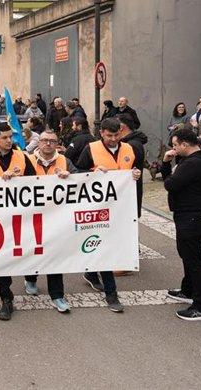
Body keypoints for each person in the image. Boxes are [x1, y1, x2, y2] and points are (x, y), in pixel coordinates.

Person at [74, 117, 143, 312]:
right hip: (97, 207)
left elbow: (135, 170)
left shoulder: (130, 149)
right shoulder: (91, 149)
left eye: (116, 135)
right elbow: (78, 171)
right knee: (104, 248)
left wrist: (136, 174)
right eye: (109, 135)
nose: (113, 139)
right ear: (102, 133)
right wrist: (93, 170)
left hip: (121, 208)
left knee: (110, 246)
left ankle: (92, 274)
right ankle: (111, 295)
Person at [0, 122, 36, 321]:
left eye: (11, 137)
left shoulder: (23, 157)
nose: (9, 140)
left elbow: (37, 185)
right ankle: (5, 295)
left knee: (20, 254)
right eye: (4, 137)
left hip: (20, 218)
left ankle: (28, 282)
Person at [161, 128, 201, 321]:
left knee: (195, 260)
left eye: (175, 145)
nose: (174, 149)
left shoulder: (194, 163)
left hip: (193, 215)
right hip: (191, 213)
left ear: (185, 144)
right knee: (188, 254)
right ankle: (188, 290)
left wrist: (166, 164)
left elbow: (170, 184)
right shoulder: (194, 160)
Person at [27, 129, 73, 313]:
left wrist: (70, 177)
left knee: (55, 254)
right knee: (33, 249)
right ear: (38, 143)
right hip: (31, 215)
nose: (48, 144)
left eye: (52, 141)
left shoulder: (65, 161)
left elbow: (82, 178)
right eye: (44, 140)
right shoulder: (27, 160)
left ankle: (57, 295)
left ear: (57, 144)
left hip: (56, 216)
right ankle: (30, 278)